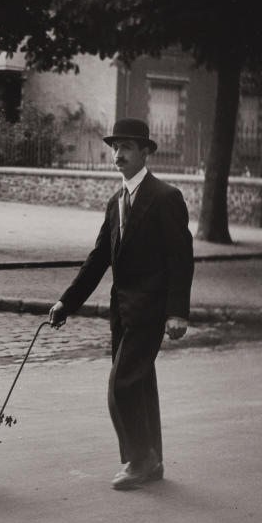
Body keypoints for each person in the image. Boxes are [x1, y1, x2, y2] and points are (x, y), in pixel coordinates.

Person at [47, 118, 194, 490]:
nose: (118, 155)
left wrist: (177, 312)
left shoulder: (165, 197)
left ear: (146, 152)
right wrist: (67, 302)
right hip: (122, 310)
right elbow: (99, 258)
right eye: (115, 147)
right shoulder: (116, 202)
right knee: (139, 383)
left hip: (151, 310)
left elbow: (181, 257)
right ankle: (153, 459)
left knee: (121, 385)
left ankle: (138, 460)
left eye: (127, 147)